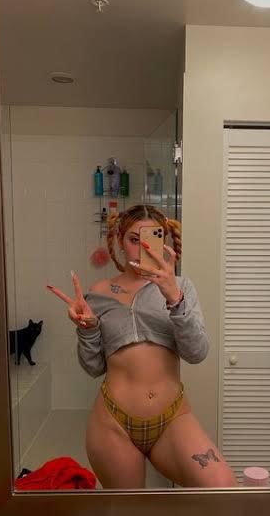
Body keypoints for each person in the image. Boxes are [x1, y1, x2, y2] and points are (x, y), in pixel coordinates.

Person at [47, 204, 237, 489]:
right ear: (121, 241)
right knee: (130, 511)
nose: (142, 249)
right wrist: (87, 329)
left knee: (221, 486)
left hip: (173, 417)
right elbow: (93, 367)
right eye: (134, 239)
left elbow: (197, 353)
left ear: (164, 242)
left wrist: (175, 298)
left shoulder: (181, 287)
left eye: (151, 239)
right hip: (113, 422)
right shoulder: (99, 293)